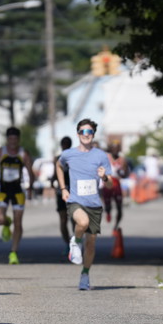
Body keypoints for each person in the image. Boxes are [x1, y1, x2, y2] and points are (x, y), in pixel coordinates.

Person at [56, 119, 114, 290]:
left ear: (93, 135)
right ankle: (75, 242)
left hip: (94, 204)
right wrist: (63, 188)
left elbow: (110, 184)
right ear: (78, 134)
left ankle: (85, 274)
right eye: (83, 131)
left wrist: (104, 177)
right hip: (75, 201)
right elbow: (58, 166)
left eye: (89, 132)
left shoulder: (101, 156)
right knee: (82, 222)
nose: (86, 135)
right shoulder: (68, 154)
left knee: (91, 245)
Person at [0, 126, 35, 265]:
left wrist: (30, 187)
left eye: (15, 139)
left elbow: (30, 172)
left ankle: (13, 252)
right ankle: (6, 223)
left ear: (18, 139)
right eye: (10, 139)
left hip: (18, 191)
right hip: (2, 190)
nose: (13, 142)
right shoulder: (1, 152)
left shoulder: (23, 153)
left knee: (18, 222)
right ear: (7, 139)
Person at [52, 136, 73, 248]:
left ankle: (75, 242)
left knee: (74, 219)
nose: (65, 146)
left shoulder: (74, 158)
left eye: (67, 144)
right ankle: (68, 244)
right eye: (64, 144)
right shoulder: (57, 158)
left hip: (73, 192)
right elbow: (54, 174)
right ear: (61, 145)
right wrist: (52, 181)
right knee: (63, 220)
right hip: (61, 193)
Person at [103, 140, 129, 229]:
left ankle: (116, 226)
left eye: (117, 148)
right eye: (113, 148)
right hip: (108, 183)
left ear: (119, 149)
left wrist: (122, 173)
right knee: (108, 206)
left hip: (117, 184)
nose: (115, 150)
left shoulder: (122, 160)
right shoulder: (106, 157)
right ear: (110, 149)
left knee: (119, 207)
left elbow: (126, 174)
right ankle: (108, 212)